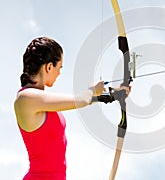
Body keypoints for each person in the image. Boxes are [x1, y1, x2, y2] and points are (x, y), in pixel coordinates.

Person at [14, 37, 130, 180]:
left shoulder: (40, 101)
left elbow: (84, 100)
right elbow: (81, 100)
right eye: (59, 68)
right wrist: (92, 90)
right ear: (49, 67)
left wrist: (114, 95)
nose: (59, 73)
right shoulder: (25, 99)